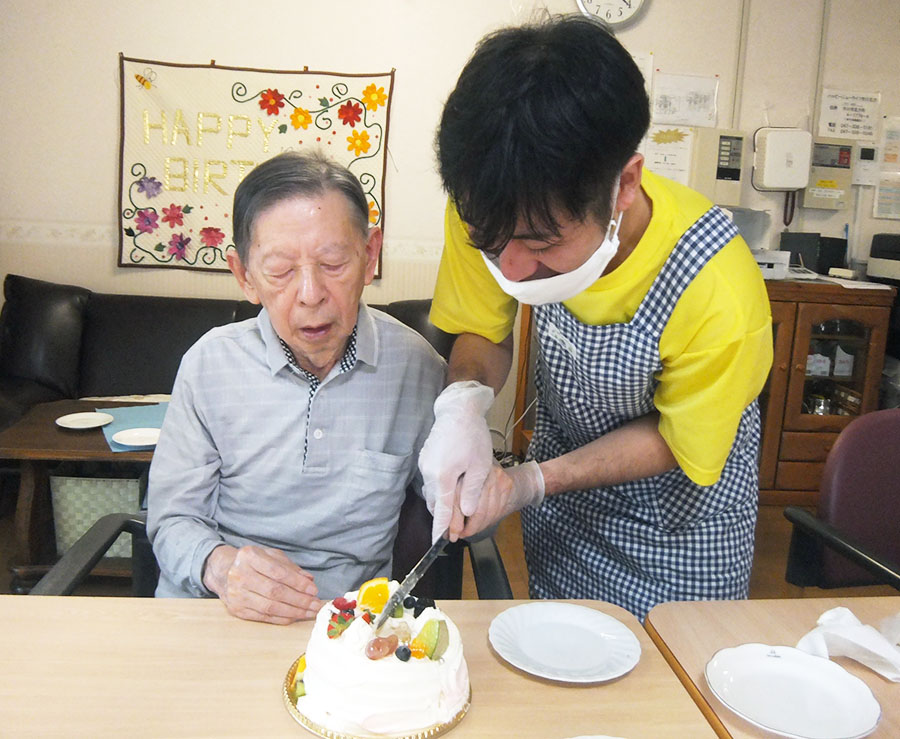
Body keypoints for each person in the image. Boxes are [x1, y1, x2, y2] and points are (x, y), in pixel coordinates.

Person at [419, 15, 773, 620]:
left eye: (541, 244)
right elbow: (482, 326)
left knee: (670, 686)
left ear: (624, 184)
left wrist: (531, 482)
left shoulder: (717, 287)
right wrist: (464, 406)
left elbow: (675, 438)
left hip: (681, 518)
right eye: (490, 241)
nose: (511, 265)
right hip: (568, 504)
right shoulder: (490, 203)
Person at [147, 151, 446, 624]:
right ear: (244, 276)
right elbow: (171, 520)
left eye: (332, 262)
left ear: (370, 257)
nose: (310, 293)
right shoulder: (210, 365)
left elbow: (457, 503)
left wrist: (480, 483)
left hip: (346, 632)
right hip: (217, 616)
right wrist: (222, 568)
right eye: (281, 271)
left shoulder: (417, 368)